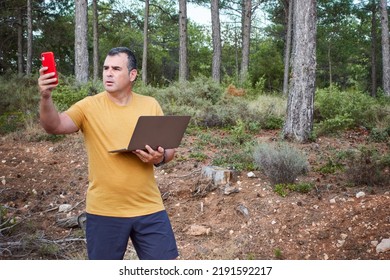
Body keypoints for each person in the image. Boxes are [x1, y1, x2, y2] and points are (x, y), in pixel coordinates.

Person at [38, 47, 179, 260]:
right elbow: (54, 126)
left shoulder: (150, 104)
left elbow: (168, 151)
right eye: (105, 68)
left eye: (115, 68)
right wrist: (46, 97)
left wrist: (159, 158)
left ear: (132, 75)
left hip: (149, 207)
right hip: (104, 211)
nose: (108, 73)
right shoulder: (88, 106)